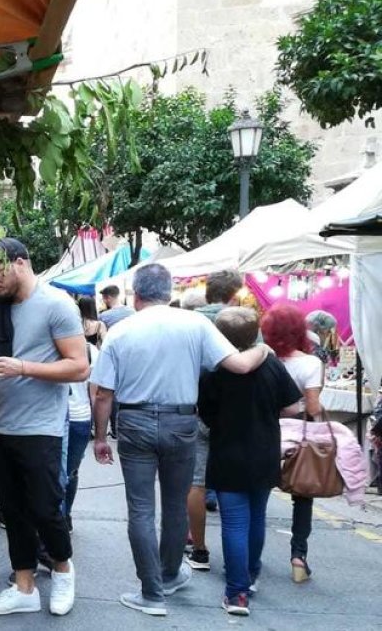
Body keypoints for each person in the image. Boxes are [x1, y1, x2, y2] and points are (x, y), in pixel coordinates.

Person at [91, 263, 272, 617]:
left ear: (137, 295)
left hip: (135, 420)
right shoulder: (196, 324)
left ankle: (151, 592)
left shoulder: (122, 330)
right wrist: (263, 351)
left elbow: (102, 394)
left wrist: (100, 437)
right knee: (175, 504)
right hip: (181, 420)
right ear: (169, 291)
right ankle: (170, 574)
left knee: (141, 509)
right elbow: (238, 365)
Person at [0, 238, 87, 617]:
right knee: (13, 511)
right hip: (0, 426)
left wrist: (24, 367)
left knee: (46, 508)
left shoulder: (56, 305)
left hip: (41, 427)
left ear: (20, 263)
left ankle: (63, 571)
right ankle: (25, 586)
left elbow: (79, 366)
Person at [198, 307, 301, 616]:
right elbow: (294, 408)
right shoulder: (272, 365)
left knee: (234, 523)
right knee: (257, 517)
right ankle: (251, 575)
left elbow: (205, 414)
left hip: (228, 452)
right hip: (264, 451)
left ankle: (236, 592)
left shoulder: (214, 370)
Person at [187, 269, 245, 571]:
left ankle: (198, 548)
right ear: (233, 294)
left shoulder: (190, 320)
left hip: (195, 408)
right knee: (233, 482)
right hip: (234, 412)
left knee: (196, 481)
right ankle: (241, 561)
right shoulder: (244, 321)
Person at [261, 304, 324, 583]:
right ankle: (299, 555)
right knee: (303, 496)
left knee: (257, 494)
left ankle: (252, 555)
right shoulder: (311, 363)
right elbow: (312, 406)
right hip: (298, 433)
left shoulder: (262, 357)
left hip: (263, 432)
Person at [64, 302, 99, 530]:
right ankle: (55, 516)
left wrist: (97, 427)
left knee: (71, 471)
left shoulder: (90, 351)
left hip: (78, 418)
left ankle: (64, 513)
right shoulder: (48, 348)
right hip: (51, 419)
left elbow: (95, 393)